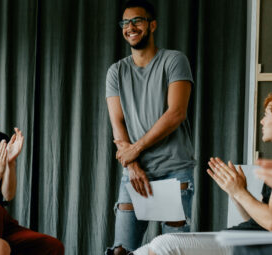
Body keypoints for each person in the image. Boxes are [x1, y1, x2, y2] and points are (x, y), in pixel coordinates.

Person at [134, 91, 272, 255]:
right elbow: (259, 221)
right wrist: (235, 192)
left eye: (266, 116)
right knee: (144, 250)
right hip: (249, 239)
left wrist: (240, 191)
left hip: (256, 246)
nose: (262, 121)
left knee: (164, 245)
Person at [105, 0, 195, 254]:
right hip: (135, 174)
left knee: (172, 251)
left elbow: (176, 113)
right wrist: (132, 164)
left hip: (174, 172)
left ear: (152, 25)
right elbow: (117, 123)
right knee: (121, 251)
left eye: (137, 21)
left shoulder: (174, 60)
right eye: (125, 22)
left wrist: (135, 149)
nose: (130, 27)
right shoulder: (116, 72)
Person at [0, 89, 64, 254]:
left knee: (53, 247)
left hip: (0, 220)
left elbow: (8, 194)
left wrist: (10, 163)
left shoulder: (0, 140)